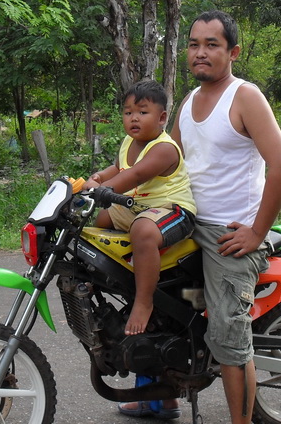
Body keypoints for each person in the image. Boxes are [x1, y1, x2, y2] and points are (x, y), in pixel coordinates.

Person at [168, 10, 281, 424]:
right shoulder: (188, 101)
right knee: (143, 290)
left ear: (233, 52)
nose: (200, 52)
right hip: (186, 220)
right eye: (194, 44)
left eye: (212, 44)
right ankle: (159, 397)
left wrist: (257, 233)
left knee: (227, 329)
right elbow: (169, 160)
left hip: (230, 232)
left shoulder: (245, 97)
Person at [83, 79, 197, 343]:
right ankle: (114, 275)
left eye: (143, 112)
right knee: (102, 218)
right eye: (128, 112)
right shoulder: (128, 142)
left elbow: (134, 175)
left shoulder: (164, 148)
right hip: (138, 207)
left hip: (172, 210)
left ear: (162, 118)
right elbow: (118, 169)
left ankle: (144, 301)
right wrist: (98, 178)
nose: (134, 118)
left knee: (143, 231)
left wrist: (100, 189)